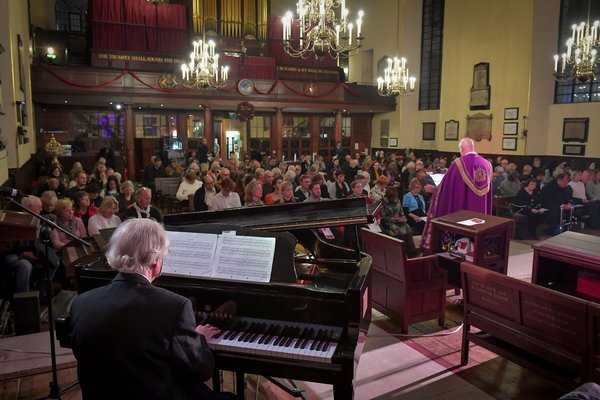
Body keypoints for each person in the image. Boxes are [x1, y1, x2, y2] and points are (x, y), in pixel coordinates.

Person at [69, 219, 226, 400]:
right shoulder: (175, 306)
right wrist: (199, 339)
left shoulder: (81, 303)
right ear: (157, 261)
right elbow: (201, 370)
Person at [421, 138, 493, 250]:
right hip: (480, 215)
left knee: (457, 231)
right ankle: (478, 250)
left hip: (461, 213)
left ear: (461, 149)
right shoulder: (487, 164)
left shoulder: (459, 163)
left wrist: (434, 190)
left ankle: (451, 248)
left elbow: (446, 188)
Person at [379, 186, 421, 257]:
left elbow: (401, 212)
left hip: (398, 220)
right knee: (398, 229)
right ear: (388, 196)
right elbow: (383, 217)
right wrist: (395, 219)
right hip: (388, 222)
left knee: (407, 227)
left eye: (395, 197)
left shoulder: (397, 200)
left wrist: (403, 218)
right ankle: (403, 252)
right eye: (393, 197)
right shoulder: (381, 202)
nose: (394, 198)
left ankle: (411, 251)